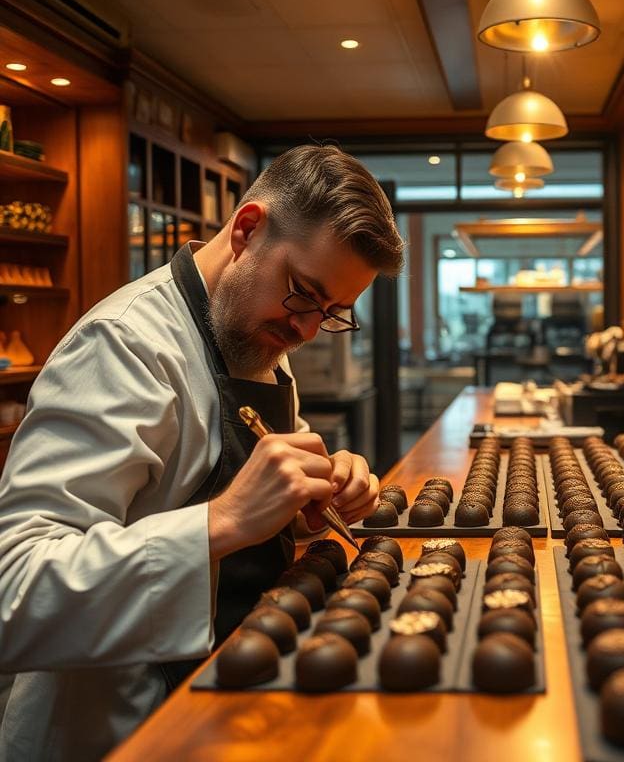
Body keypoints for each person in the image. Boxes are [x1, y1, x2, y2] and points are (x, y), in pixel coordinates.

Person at [0, 144, 404, 761]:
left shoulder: (255, 333)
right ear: (247, 229)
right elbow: (15, 592)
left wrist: (313, 497)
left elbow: (253, 487)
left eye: (332, 313)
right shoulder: (123, 346)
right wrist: (224, 520)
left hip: (236, 702)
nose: (306, 330)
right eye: (303, 293)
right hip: (124, 731)